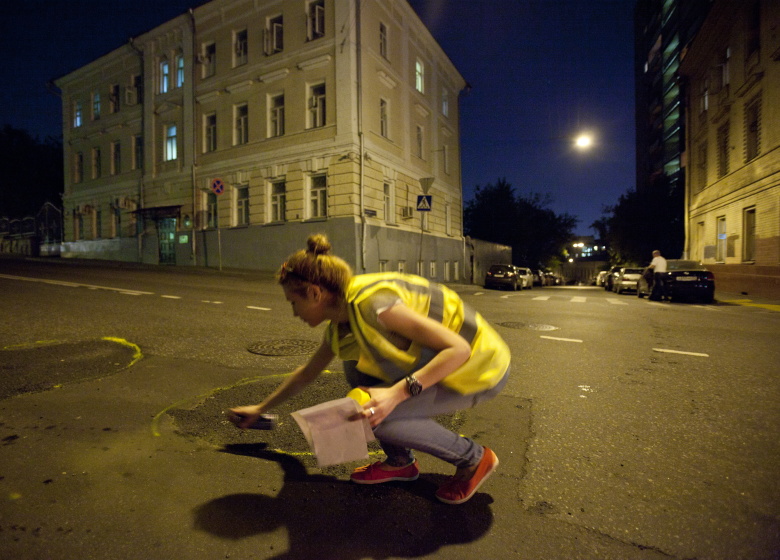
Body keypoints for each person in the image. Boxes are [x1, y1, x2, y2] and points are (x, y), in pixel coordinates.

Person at [231, 234, 511, 505]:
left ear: (315, 293)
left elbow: (459, 349)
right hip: (445, 360)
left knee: (379, 417)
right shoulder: (342, 322)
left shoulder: (374, 306)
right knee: (357, 371)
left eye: (294, 302)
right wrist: (260, 408)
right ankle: (401, 462)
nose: (294, 312)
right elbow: (307, 374)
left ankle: (473, 459)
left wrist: (396, 395)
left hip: (478, 366)